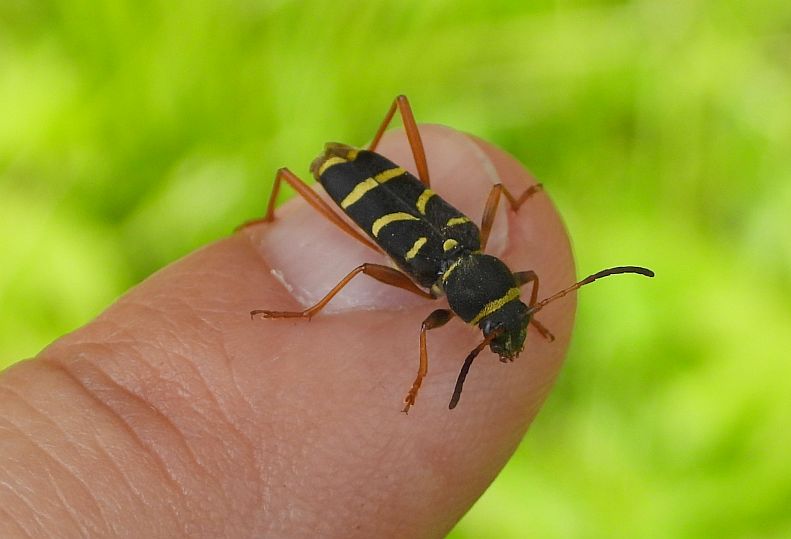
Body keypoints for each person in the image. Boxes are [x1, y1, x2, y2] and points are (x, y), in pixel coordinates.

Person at [0, 126, 576, 537]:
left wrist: (524, 310)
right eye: (507, 318)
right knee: (349, 249)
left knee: (441, 148)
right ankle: (301, 301)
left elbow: (505, 216)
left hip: (372, 176)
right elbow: (380, 277)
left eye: (507, 318)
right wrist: (414, 370)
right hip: (347, 174)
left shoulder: (472, 257)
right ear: (468, 306)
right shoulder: (431, 280)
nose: (505, 328)